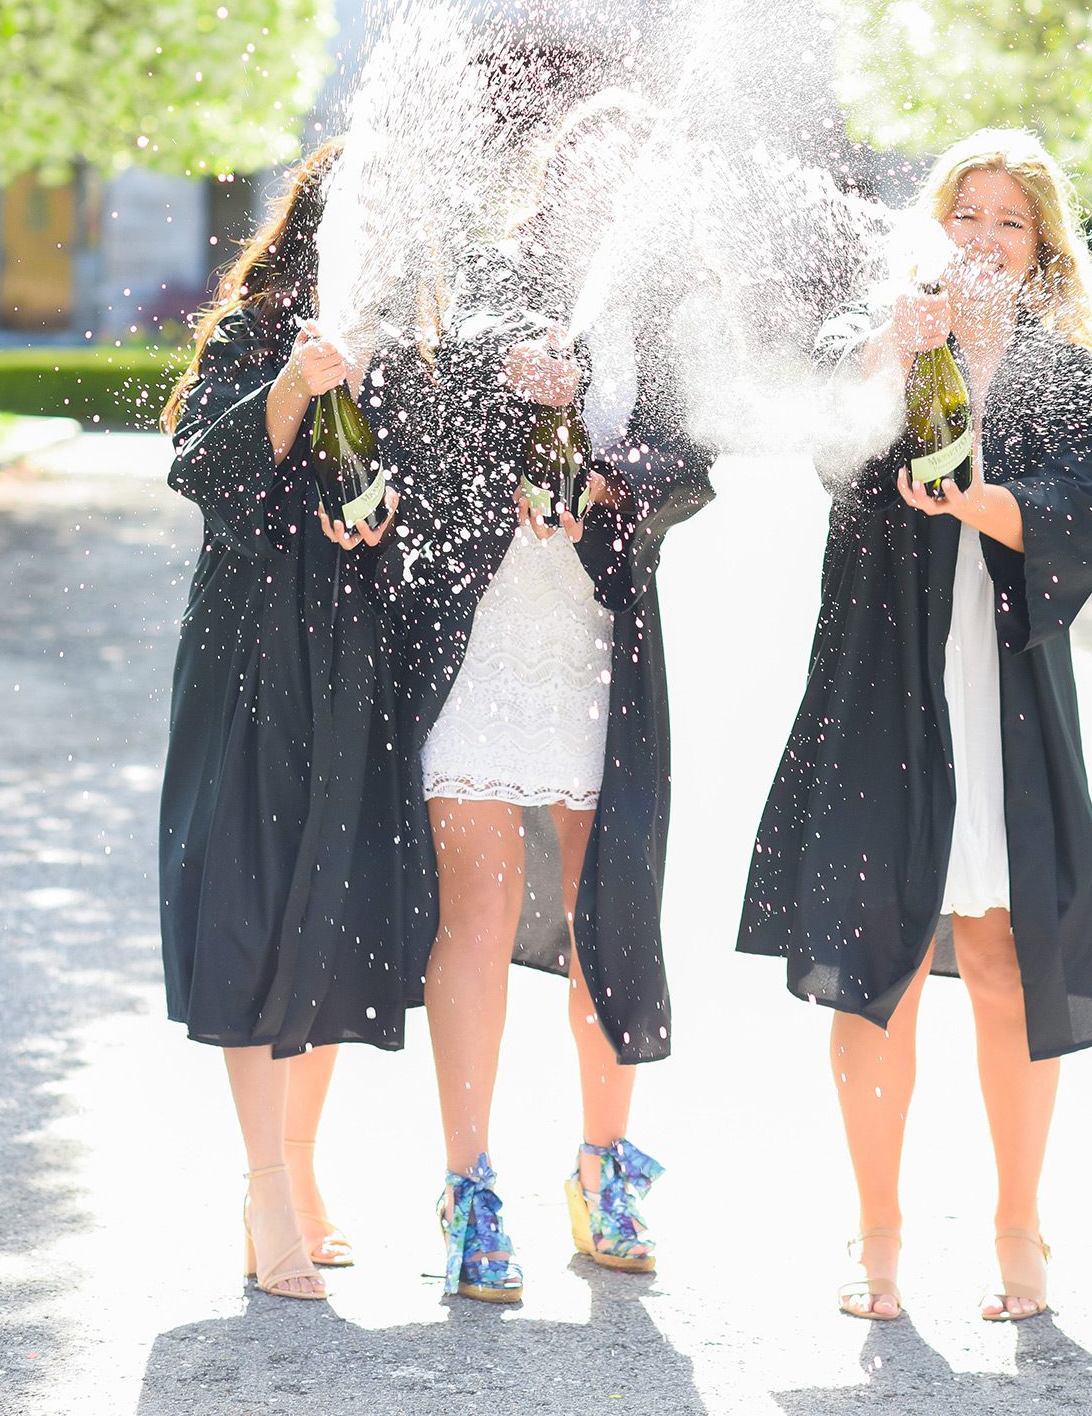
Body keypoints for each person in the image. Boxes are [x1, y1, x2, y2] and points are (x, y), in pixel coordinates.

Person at [739, 129, 1092, 1323]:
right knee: (882, 964)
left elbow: (1089, 506)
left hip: (1004, 687)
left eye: (1011, 219)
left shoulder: (1073, 376)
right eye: (967, 212)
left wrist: (982, 501)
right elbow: (828, 442)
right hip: (883, 683)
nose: (984, 235)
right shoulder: (879, 332)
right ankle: (878, 1233)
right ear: (935, 223)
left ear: (1041, 246)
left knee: (1009, 952)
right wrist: (889, 348)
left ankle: (1019, 1227)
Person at [372, 89, 714, 1305]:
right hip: (482, 641)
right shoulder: (489, 285)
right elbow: (420, 411)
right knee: (475, 910)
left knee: (601, 910)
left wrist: (611, 477)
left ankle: (604, 1165)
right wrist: (501, 382)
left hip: (597, 650)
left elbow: (690, 463)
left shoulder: (665, 320)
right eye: (588, 171)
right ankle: (469, 1184)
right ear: (552, 184)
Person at [159, 141, 419, 1301]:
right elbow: (204, 466)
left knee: (331, 897)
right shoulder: (259, 328)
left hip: (359, 647)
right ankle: (264, 1184)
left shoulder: (409, 343)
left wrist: (390, 511)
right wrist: (295, 385)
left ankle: (301, 1167)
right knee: (252, 895)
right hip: (256, 645)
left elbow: (439, 491)